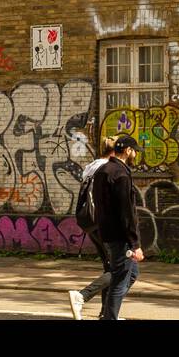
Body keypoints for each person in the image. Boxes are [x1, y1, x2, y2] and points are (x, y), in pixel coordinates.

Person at [92, 134, 144, 320]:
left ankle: (108, 313)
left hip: (106, 232)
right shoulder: (121, 174)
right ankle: (110, 317)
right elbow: (126, 212)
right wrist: (135, 243)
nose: (135, 156)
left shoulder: (103, 170)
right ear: (128, 151)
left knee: (130, 274)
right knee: (120, 280)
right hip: (121, 236)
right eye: (134, 152)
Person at [67, 136, 116, 320]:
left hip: (91, 222)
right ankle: (82, 295)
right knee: (119, 268)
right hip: (104, 223)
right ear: (114, 151)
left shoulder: (91, 167)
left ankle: (106, 313)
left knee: (109, 266)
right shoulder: (107, 168)